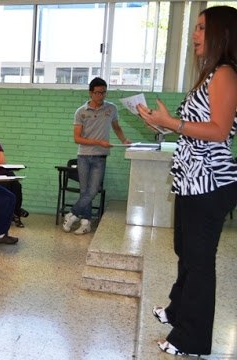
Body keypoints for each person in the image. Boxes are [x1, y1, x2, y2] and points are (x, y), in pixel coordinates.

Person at [136, 6, 237, 357]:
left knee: (199, 261)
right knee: (185, 252)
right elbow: (192, 131)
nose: (195, 34)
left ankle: (190, 339)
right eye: (195, 27)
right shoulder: (208, 76)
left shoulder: (225, 73)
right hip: (191, 181)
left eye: (201, 28)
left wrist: (173, 124)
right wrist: (158, 122)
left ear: (222, 34)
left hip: (209, 183)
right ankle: (177, 311)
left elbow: (219, 131)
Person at [62, 77, 132, 235]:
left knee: (92, 190)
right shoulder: (81, 112)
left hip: (100, 157)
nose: (101, 96)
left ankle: (72, 214)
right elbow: (77, 138)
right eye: (98, 93)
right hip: (84, 156)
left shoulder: (111, 109)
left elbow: (116, 127)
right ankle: (85, 223)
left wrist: (124, 140)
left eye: (104, 92)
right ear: (91, 93)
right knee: (84, 191)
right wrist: (99, 142)